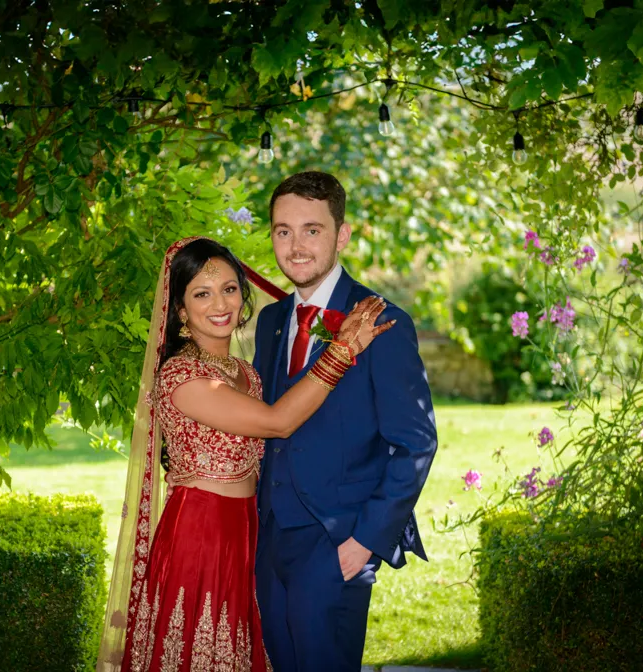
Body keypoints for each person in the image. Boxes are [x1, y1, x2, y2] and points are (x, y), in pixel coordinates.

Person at [96, 236, 393, 672]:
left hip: (249, 529)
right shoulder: (182, 377)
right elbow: (278, 422)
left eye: (229, 289)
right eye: (201, 293)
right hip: (200, 533)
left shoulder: (245, 373)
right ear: (180, 310)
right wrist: (343, 349)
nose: (220, 303)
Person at [253, 171, 438, 671]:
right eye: (282, 231)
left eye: (312, 229)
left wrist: (364, 543)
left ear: (343, 235)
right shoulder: (271, 323)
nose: (295, 246)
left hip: (335, 545)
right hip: (269, 545)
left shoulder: (381, 321)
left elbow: (417, 442)